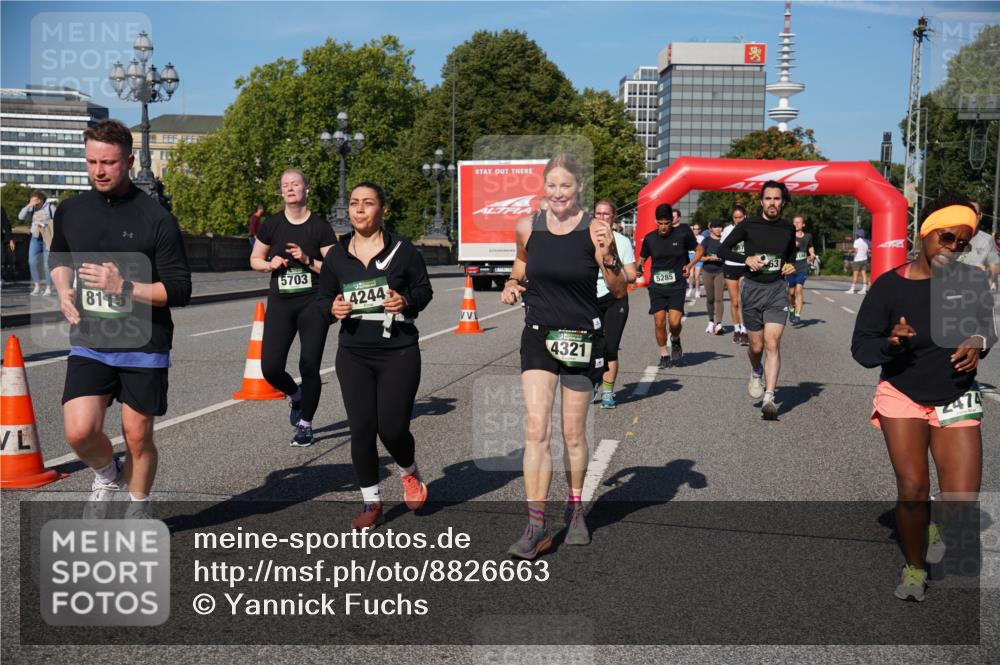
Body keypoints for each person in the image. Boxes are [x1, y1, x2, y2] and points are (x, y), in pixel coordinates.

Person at [851, 193, 995, 601]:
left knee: (962, 500)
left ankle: (935, 524)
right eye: (946, 238)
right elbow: (862, 349)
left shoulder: (968, 281)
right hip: (902, 392)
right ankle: (915, 569)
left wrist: (978, 341)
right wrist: (892, 344)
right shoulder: (888, 287)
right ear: (925, 235)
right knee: (913, 488)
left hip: (955, 394)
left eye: (962, 243)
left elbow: (986, 325)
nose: (953, 249)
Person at [49, 119, 192, 519]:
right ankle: (107, 473)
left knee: (137, 436)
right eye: (92, 161)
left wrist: (124, 287)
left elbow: (179, 290)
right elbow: (59, 257)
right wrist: (63, 290)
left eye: (109, 162)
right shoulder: (71, 211)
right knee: (79, 431)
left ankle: (138, 509)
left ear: (129, 161)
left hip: (144, 343)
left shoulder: (156, 218)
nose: (99, 170)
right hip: (91, 339)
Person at [500, 153, 625, 558]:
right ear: (544, 187)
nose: (557, 193)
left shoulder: (595, 230)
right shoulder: (526, 227)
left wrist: (607, 254)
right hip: (538, 335)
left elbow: (619, 288)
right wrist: (512, 284)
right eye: (551, 185)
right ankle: (536, 524)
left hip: (581, 337)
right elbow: (520, 264)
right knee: (536, 428)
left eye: (565, 186)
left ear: (579, 189)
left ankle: (574, 509)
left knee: (573, 433)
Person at [318, 182, 433, 529]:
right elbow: (322, 298)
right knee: (363, 429)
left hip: (398, 350)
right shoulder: (338, 255)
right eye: (354, 203)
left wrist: (406, 301)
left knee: (393, 428)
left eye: (368, 203)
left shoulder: (403, 250)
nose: (360, 209)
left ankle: (409, 471)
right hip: (353, 353)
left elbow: (424, 290)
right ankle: (371, 502)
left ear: (382, 210)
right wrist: (332, 307)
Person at [250, 170, 335, 446]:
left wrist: (308, 259)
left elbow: (335, 269)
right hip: (281, 304)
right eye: (285, 185)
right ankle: (295, 395)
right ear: (280, 192)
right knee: (270, 368)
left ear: (306, 189)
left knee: (309, 365)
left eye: (295, 184)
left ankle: (306, 424)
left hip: (313, 303)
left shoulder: (320, 227)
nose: (290, 188)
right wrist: (269, 264)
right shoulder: (271, 225)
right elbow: (255, 259)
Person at [718, 181, 797, 420]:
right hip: (752, 288)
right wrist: (746, 259)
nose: (773, 203)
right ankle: (755, 371)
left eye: (777, 199)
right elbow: (723, 250)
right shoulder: (749, 224)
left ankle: (769, 397)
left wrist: (790, 266)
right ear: (761, 201)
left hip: (776, 290)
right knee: (756, 346)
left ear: (783, 202)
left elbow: (790, 256)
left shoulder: (787, 228)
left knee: (772, 343)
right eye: (768, 199)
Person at [636, 203, 702, 369]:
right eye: (661, 223)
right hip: (657, 287)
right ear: (655, 221)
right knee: (659, 322)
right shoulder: (650, 239)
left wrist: (690, 265)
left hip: (676, 285)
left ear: (671, 221)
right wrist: (639, 268)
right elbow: (642, 259)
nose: (664, 227)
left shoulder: (682, 234)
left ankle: (675, 339)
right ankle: (664, 354)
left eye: (667, 223)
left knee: (674, 323)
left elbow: (700, 250)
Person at [593, 198, 636, 409]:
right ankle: (593, 381)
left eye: (606, 214)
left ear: (613, 217)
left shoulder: (622, 241)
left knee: (610, 347)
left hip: (614, 299)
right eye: (598, 214)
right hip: (588, 299)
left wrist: (612, 263)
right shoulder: (584, 239)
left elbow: (631, 275)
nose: (601, 218)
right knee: (590, 347)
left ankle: (608, 393)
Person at [18, 190, 56, 296]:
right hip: (35, 237)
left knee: (46, 264)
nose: (34, 201)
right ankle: (37, 286)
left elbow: (59, 220)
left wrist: (46, 224)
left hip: (47, 238)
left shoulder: (50, 207)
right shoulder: (32, 208)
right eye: (32, 199)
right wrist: (29, 205)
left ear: (41, 199)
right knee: (32, 261)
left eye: (35, 199)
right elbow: (20, 217)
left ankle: (48, 287)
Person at [721, 204, 749, 345]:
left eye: (741, 217)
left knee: (743, 300)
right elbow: (723, 248)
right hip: (731, 267)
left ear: (745, 216)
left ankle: (744, 330)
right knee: (734, 301)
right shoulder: (727, 230)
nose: (738, 220)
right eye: (735, 217)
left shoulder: (751, 229)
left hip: (745, 267)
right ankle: (736, 329)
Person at [958, 200, 1000, 291]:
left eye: (974, 213)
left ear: (980, 216)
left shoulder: (988, 240)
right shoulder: (951, 236)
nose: (970, 217)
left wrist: (986, 270)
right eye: (968, 213)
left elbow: (996, 265)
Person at [786, 215, 816, 325]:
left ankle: (798, 315)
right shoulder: (789, 235)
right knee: (791, 293)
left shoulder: (808, 236)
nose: (796, 224)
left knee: (799, 289)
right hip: (790, 267)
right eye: (794, 222)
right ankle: (791, 308)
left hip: (802, 267)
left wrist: (812, 254)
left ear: (803, 224)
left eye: (799, 222)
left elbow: (810, 246)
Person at [700, 220, 727, 335]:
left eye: (720, 227)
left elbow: (729, 254)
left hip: (720, 271)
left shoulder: (724, 240)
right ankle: (711, 322)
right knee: (710, 298)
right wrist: (709, 258)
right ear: (710, 228)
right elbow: (699, 257)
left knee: (719, 298)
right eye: (715, 227)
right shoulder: (706, 241)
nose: (718, 229)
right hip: (707, 271)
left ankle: (719, 324)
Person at [846, 229, 870, 294]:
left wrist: (852, 252)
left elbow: (856, 251)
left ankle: (852, 289)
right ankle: (864, 289)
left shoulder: (856, 241)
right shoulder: (867, 241)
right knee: (864, 274)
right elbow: (868, 250)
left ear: (858, 235)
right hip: (865, 259)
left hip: (857, 259)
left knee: (855, 274)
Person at [687, 222, 704, 300]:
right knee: (690, 275)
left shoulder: (702, 238)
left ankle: (697, 291)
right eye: (694, 229)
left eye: (697, 229)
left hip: (699, 257)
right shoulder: (689, 237)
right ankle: (690, 289)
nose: (696, 230)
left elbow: (703, 248)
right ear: (692, 229)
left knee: (697, 276)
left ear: (700, 230)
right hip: (690, 256)